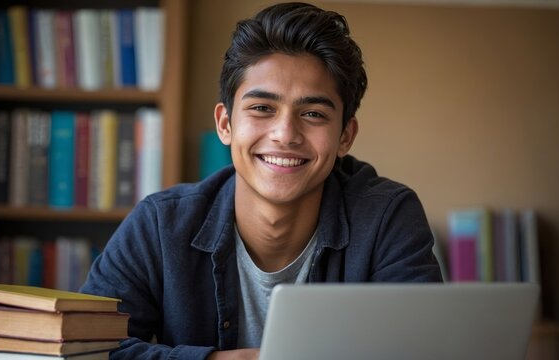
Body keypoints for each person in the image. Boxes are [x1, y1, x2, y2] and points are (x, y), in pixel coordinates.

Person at [80, 2, 442, 359]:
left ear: (345, 136)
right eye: (262, 108)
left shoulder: (387, 217)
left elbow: (424, 350)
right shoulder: (159, 225)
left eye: (313, 113)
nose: (285, 134)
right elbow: (87, 349)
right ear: (225, 124)